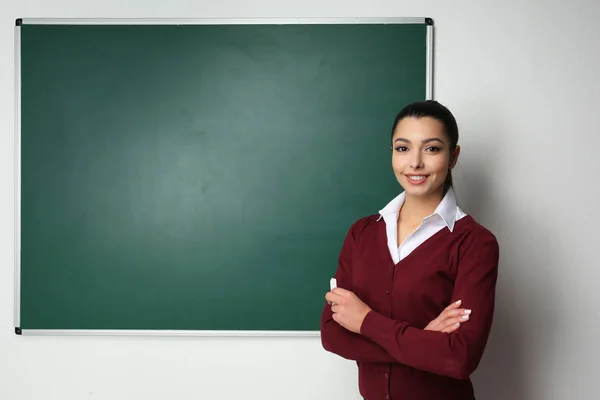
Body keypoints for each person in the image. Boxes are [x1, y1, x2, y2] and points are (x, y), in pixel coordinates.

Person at [320, 100, 499, 400]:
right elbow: (333, 334)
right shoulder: (361, 233)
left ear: (453, 156)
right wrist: (424, 340)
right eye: (403, 148)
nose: (415, 163)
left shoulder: (475, 244)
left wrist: (365, 321)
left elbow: (458, 358)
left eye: (431, 148)